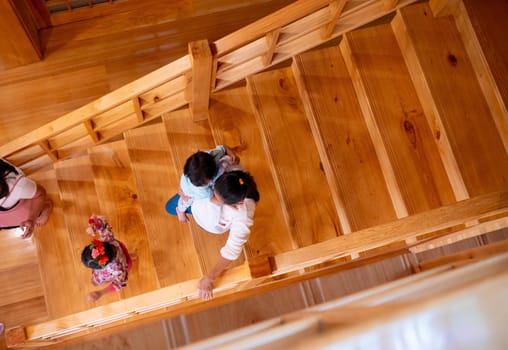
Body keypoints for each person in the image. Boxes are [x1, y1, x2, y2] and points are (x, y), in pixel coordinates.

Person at [167, 170, 260, 300]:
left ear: (235, 204)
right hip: (194, 205)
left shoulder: (242, 216)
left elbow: (232, 250)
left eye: (217, 199)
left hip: (209, 222)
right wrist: (185, 188)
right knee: (169, 207)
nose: (212, 199)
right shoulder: (222, 171)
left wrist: (210, 277)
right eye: (213, 192)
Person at [166, 145, 240, 223]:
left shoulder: (213, 154)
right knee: (185, 201)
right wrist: (227, 202)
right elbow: (212, 199)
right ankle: (180, 212)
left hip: (188, 179)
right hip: (188, 191)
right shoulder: (201, 190)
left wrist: (232, 154)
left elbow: (224, 147)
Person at [81, 215, 133, 302]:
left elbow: (120, 283)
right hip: (121, 251)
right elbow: (101, 222)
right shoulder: (107, 238)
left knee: (95, 282)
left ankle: (130, 257)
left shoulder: (116, 270)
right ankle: (130, 256)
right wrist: (93, 225)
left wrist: (101, 293)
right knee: (127, 259)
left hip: (124, 264)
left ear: (102, 267)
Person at [0, 159, 53, 239]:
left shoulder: (17, 186)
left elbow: (40, 194)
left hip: (17, 198)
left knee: (7, 223)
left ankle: (44, 207)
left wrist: (32, 218)